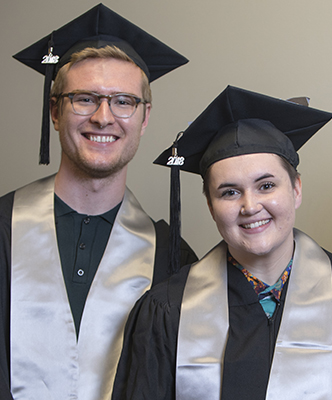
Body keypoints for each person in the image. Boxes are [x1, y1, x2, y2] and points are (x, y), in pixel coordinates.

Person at [112, 85, 332, 400]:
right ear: (210, 205)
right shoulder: (168, 308)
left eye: (266, 185)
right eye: (229, 192)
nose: (250, 206)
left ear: (296, 189)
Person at [1, 4, 198, 399]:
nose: (104, 117)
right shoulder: (2, 229)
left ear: (143, 119)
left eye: (124, 101)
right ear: (55, 111)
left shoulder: (174, 260)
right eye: (85, 99)